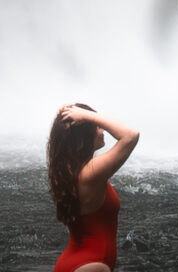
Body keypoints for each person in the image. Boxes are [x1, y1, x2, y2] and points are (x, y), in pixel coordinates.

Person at [47, 102, 139, 272]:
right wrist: (88, 116)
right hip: (92, 264)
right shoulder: (90, 173)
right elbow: (131, 136)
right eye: (96, 127)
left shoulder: (67, 171)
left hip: (73, 261)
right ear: (83, 136)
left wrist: (80, 117)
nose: (101, 131)